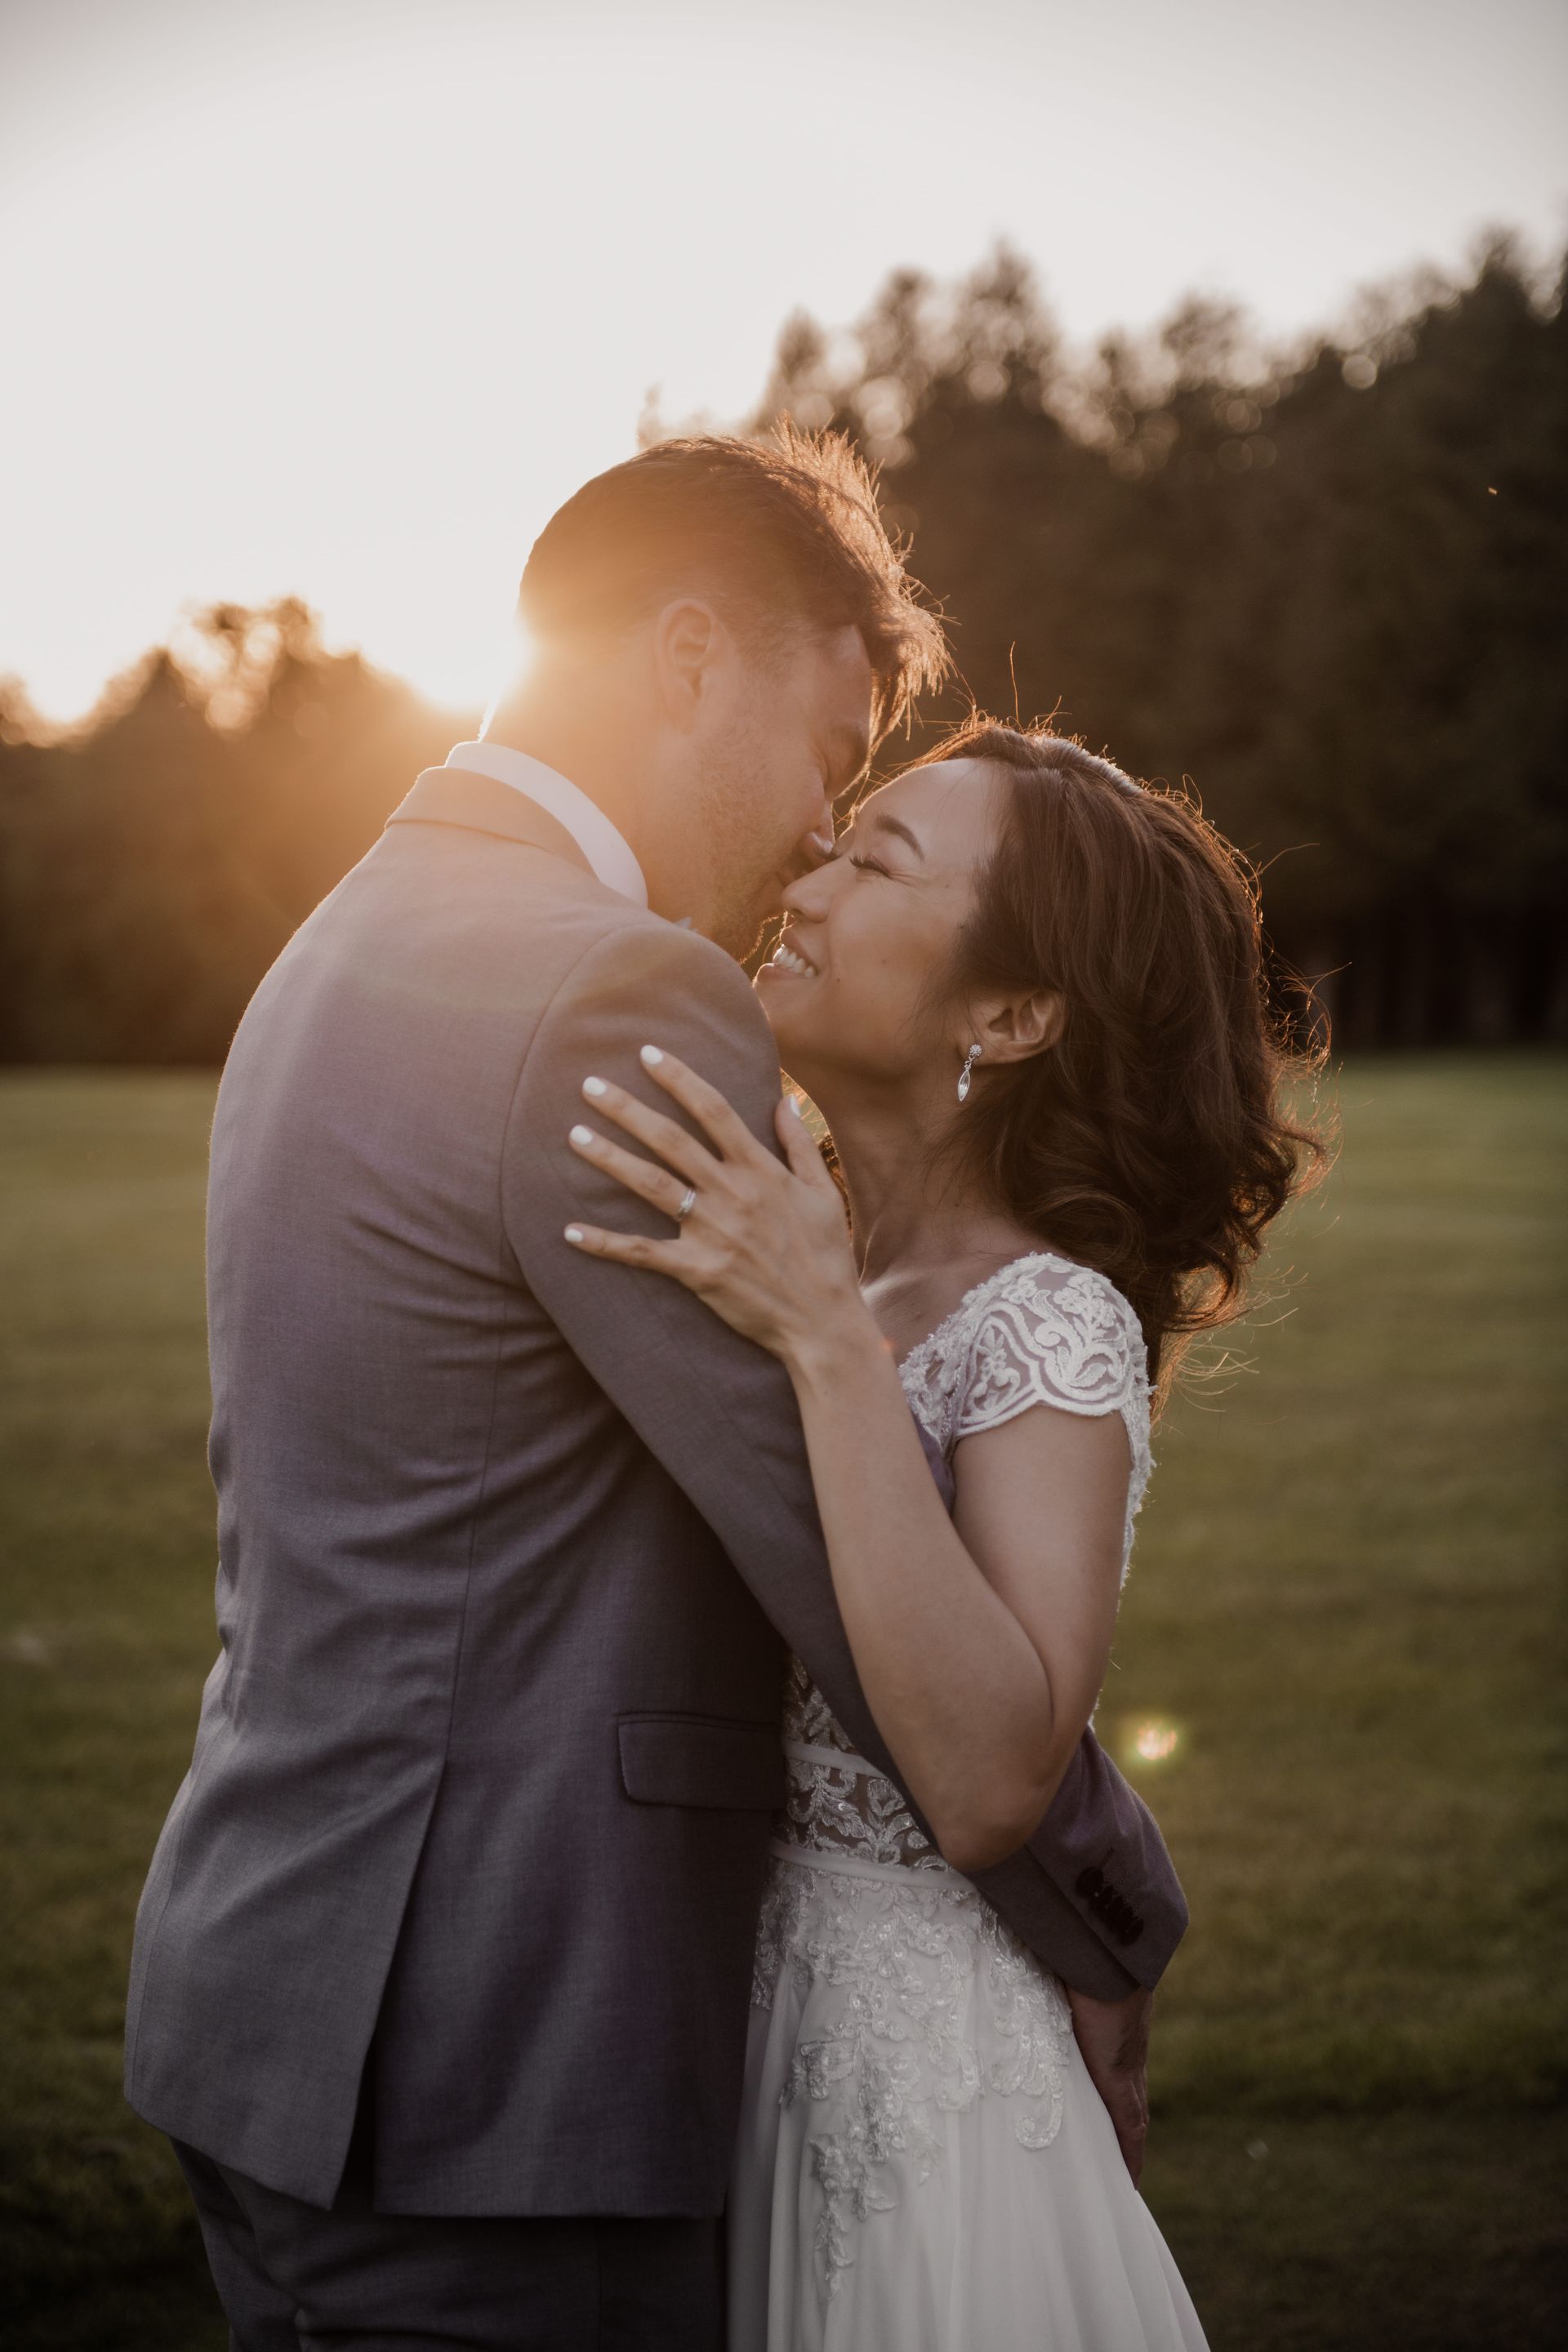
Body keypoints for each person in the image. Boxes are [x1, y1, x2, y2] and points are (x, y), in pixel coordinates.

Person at [125, 434, 1188, 2351]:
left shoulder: (343, 939)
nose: (815, 822)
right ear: (691, 656)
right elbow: (819, 1540)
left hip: (277, 1995)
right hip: (493, 2059)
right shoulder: (611, 984)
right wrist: (1105, 1911)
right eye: (828, 750)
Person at [562, 719, 1320, 2349]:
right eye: (834, 843)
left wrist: (827, 1341)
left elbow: (990, 1782)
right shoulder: (789, 1226)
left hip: (912, 2086)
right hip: (710, 2041)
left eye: (879, 860)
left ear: (1014, 1011)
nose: (808, 880)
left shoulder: (1047, 1324)